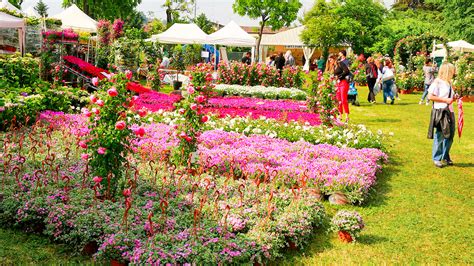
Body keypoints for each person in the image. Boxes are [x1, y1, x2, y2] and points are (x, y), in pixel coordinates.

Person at [427, 62, 457, 168]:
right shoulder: (437, 82)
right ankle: (437, 158)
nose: (454, 72)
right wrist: (445, 99)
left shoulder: (449, 83)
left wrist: (454, 97)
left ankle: (445, 156)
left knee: (450, 135)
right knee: (440, 135)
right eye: (453, 70)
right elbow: (430, 96)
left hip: (450, 111)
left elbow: (449, 97)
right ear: (447, 71)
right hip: (441, 112)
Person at [333, 54, 351, 122]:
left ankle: (347, 116)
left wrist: (339, 76)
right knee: (338, 100)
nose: (330, 61)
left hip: (343, 83)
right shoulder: (334, 66)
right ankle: (340, 115)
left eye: (331, 60)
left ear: (334, 59)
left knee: (343, 100)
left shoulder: (341, 64)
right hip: (338, 84)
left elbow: (347, 71)